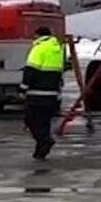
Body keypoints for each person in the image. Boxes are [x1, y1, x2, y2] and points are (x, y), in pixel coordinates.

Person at [22, 26, 67, 160]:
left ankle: (45, 141)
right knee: (44, 122)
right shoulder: (57, 49)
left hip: (37, 93)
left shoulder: (39, 48)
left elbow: (31, 71)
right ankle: (40, 150)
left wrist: (23, 87)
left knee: (31, 120)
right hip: (52, 94)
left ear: (38, 35)